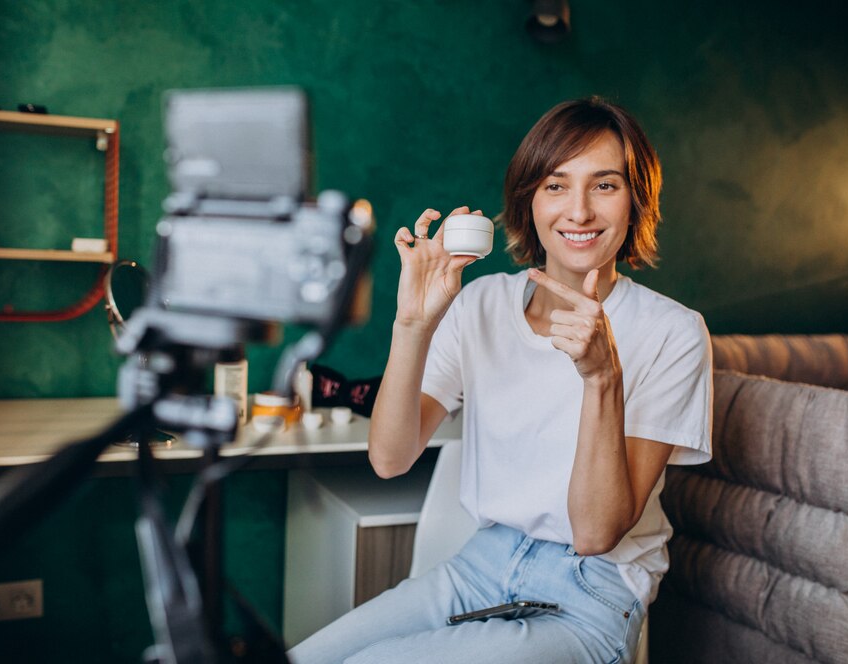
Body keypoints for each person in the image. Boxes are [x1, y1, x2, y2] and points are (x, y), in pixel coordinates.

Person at [288, 97, 713, 664]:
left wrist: (601, 377)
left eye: (605, 185)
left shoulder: (674, 332)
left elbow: (595, 533)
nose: (579, 211)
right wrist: (412, 325)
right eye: (556, 185)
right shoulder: (482, 304)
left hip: (592, 592)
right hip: (482, 564)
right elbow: (389, 458)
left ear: (637, 201)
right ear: (529, 200)